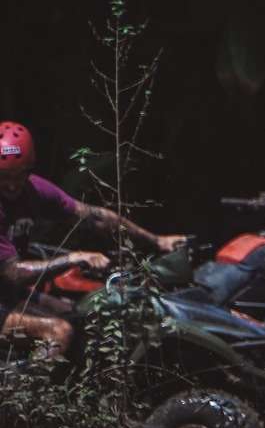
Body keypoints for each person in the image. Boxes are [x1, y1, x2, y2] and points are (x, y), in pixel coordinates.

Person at [0, 121, 186, 354]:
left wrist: (157, 241)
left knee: (78, 315)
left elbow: (95, 217)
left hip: (9, 295)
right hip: (8, 289)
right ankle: (29, 380)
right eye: (4, 176)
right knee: (58, 332)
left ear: (30, 169)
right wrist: (72, 258)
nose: (11, 185)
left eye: (19, 175)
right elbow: (14, 273)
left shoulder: (33, 190)